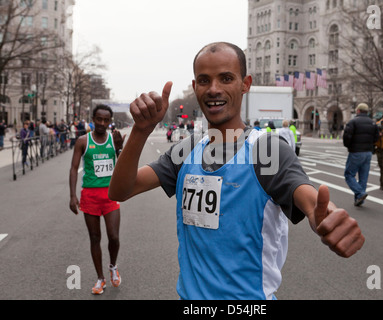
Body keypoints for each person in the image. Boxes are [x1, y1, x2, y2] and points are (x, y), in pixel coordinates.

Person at [109, 42, 364, 300]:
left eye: (226, 78)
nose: (214, 89)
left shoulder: (267, 150)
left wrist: (325, 217)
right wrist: (141, 131)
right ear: (195, 86)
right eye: (204, 80)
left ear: (245, 84)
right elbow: (121, 190)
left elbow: (309, 201)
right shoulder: (187, 150)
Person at [69, 104, 126, 295]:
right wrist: (72, 195)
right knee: (95, 238)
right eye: (99, 119)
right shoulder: (82, 141)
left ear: (110, 121)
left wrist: (119, 148)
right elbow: (73, 168)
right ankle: (100, 278)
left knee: (114, 237)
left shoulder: (114, 139)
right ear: (93, 119)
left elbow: (123, 164)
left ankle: (112, 266)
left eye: (106, 120)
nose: (102, 123)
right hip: (90, 196)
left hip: (110, 195)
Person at [343, 103, 380, 206]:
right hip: (368, 152)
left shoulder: (353, 122)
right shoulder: (373, 123)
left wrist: (349, 146)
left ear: (358, 111)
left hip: (356, 152)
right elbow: (377, 138)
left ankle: (360, 193)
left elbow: (347, 137)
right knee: (363, 177)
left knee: (349, 175)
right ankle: (359, 199)